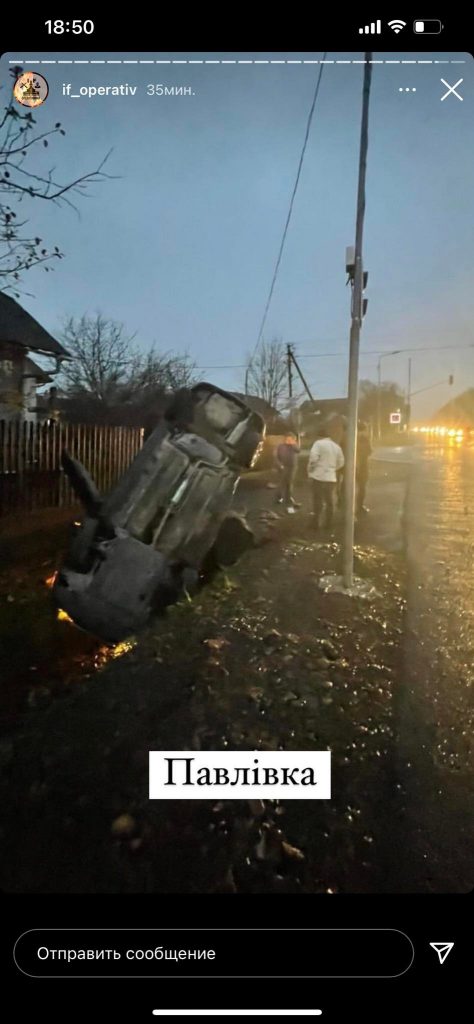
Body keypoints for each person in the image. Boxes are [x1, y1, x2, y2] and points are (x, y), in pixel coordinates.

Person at [307, 425, 344, 530]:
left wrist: (310, 471)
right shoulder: (336, 446)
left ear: (319, 436)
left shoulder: (318, 444)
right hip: (331, 478)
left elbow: (313, 459)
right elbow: (341, 462)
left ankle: (315, 523)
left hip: (318, 477)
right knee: (329, 501)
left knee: (318, 501)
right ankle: (329, 524)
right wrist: (332, 469)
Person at [274, 432, 301, 514]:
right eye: (287, 439)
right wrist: (279, 465)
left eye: (290, 439)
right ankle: (279, 497)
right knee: (282, 482)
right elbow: (276, 456)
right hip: (283, 466)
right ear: (285, 439)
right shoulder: (281, 446)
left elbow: (298, 450)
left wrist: (293, 444)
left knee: (290, 482)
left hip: (292, 467)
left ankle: (288, 498)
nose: (288, 440)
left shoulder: (294, 446)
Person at [356, 420, 372, 514]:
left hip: (351, 465)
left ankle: (344, 505)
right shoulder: (365, 438)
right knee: (362, 487)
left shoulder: (350, 437)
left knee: (346, 486)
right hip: (362, 467)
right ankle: (360, 506)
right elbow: (369, 451)